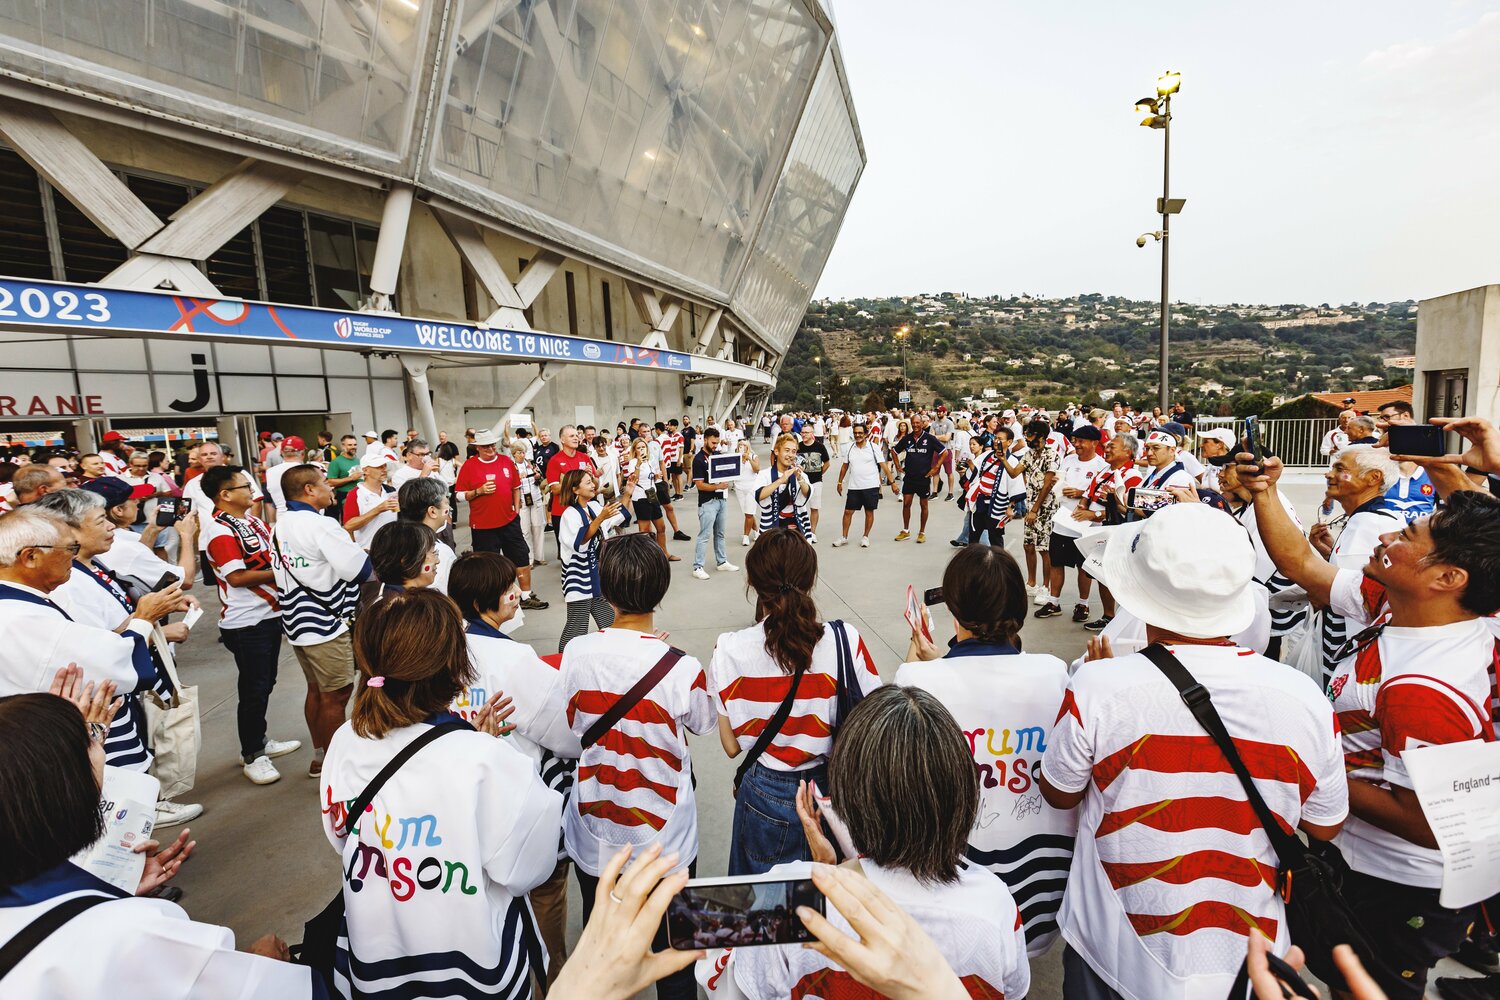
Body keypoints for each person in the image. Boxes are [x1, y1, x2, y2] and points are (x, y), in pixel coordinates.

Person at [1038, 502, 1348, 1000]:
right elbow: (1324, 825)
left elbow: (1060, 793)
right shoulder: (1305, 698)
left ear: (1138, 595)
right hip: (1253, 954)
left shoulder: (1099, 685)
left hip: (1114, 942)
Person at [1245, 455, 1500, 998]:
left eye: (1409, 533)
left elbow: (1429, 823)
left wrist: (1314, 769)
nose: (1386, 534)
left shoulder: (1423, 691)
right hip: (1374, 866)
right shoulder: (1404, 606)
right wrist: (1265, 493)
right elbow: (1304, 567)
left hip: (1397, 884)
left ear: (1448, 578)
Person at [698, 685, 1031, 999]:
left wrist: (821, 877)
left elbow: (719, 960)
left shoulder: (789, 895)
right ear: (961, 793)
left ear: (848, 798)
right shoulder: (994, 904)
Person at [320, 589, 562, 1000]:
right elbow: (529, 868)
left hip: (375, 963)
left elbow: (340, 835)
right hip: (476, 971)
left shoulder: (344, 740)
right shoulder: (483, 759)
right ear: (455, 667)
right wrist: (492, 752)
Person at [0, 688, 316, 998]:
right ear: (65, 790)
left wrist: (110, 890)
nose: (102, 747)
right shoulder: (135, 930)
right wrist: (264, 964)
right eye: (91, 740)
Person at [897, 543, 1075, 955]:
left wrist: (923, 661)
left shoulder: (919, 682)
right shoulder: (1055, 673)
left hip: (953, 894)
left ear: (954, 610)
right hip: (1042, 898)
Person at [561, 532, 716, 1000]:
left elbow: (571, 721)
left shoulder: (576, 653)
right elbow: (705, 721)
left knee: (601, 934)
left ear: (604, 592)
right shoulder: (680, 667)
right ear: (661, 591)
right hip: (664, 833)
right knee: (674, 951)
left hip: (595, 821)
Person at [711, 529, 881, 875]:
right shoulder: (844, 640)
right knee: (833, 898)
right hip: (832, 794)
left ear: (752, 582)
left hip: (765, 794)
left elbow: (731, 746)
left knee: (764, 909)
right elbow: (874, 716)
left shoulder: (729, 649)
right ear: (811, 579)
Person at [447, 551, 581, 981]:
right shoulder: (513, 659)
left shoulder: (445, 649)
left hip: (457, 797)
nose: (518, 595)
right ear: (484, 603)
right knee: (543, 887)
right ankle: (550, 972)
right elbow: (565, 732)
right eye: (509, 590)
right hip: (515, 801)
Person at [0, 507, 188, 780]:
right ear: (31, 556)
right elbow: (110, 665)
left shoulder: (19, 603)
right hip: (40, 749)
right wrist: (144, 619)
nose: (73, 556)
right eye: (68, 548)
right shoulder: (20, 617)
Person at [198, 465, 302, 785]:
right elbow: (236, 577)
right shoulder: (219, 530)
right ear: (225, 495)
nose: (252, 491)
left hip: (269, 614)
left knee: (265, 682)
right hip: (246, 622)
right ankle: (252, 754)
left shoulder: (251, 520)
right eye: (245, 486)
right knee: (254, 688)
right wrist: (285, 571)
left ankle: (259, 739)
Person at [271, 463, 371, 778]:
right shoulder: (321, 526)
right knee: (337, 695)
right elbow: (359, 571)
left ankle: (319, 757)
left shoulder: (281, 524)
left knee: (316, 690)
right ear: (309, 490)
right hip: (328, 625)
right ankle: (336, 766)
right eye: (325, 483)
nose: (331, 488)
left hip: (299, 624)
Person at [1310, 445, 1401, 685]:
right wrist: (1328, 553)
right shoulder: (1368, 519)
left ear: (1373, 478)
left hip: (1348, 652)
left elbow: (1351, 596)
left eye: (1340, 468)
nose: (1329, 474)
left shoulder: (1368, 524)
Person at [455, 429, 548, 610]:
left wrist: (516, 510)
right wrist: (478, 492)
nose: (490, 448)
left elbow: (516, 487)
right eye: (485, 446)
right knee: (489, 564)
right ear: (477, 448)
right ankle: (495, 598)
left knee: (521, 556)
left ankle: (526, 596)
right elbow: (458, 496)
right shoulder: (469, 466)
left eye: (492, 444)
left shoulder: (506, 461)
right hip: (483, 525)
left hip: (509, 521)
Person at [557, 468, 630, 650]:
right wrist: (601, 518)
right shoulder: (569, 515)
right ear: (575, 489)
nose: (593, 485)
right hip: (579, 580)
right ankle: (562, 662)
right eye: (588, 482)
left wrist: (628, 493)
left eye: (592, 481)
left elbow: (617, 518)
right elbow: (580, 540)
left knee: (611, 624)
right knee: (577, 628)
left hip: (597, 577)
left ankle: (615, 655)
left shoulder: (595, 507)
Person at [1044, 424, 1110, 624]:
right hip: (1063, 519)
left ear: (1094, 443)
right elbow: (1059, 481)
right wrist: (1059, 484)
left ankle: (1083, 604)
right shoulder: (1068, 459)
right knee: (1056, 562)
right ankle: (1053, 601)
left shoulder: (1102, 466)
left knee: (1084, 567)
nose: (1077, 445)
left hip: (1086, 525)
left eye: (1081, 441)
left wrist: (1080, 493)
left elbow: (1103, 495)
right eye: (1075, 440)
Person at [832, 422, 894, 548]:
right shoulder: (850, 447)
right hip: (854, 486)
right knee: (848, 512)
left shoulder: (873, 447)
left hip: (871, 486)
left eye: (860, 433)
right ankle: (844, 537)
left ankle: (865, 537)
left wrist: (892, 482)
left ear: (866, 434)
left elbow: (884, 466)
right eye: (855, 433)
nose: (858, 435)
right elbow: (844, 466)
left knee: (869, 512)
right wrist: (839, 482)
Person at [890, 412, 945, 543]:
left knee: (923, 505)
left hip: (923, 477)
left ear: (922, 424)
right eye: (913, 423)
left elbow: (944, 452)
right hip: (909, 477)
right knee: (906, 504)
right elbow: (894, 451)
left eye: (917, 423)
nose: (915, 425)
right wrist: (898, 466)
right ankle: (905, 531)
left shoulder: (930, 438)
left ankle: (922, 532)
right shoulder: (907, 438)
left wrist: (935, 468)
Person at [691, 427, 739, 578]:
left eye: (717, 443)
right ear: (705, 440)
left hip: (721, 499)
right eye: (713, 442)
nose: (715, 445)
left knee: (720, 533)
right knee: (704, 535)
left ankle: (722, 561)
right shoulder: (698, 459)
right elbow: (699, 485)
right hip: (707, 502)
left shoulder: (717, 454)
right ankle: (697, 567)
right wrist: (717, 486)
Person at [396, 477, 456, 594]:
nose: (449, 509)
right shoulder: (438, 553)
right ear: (432, 511)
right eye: (446, 503)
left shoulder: (397, 542)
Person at [545, 425, 600, 552]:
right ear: (562, 440)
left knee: (590, 548)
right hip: (562, 512)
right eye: (571, 436)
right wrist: (577, 481)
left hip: (585, 511)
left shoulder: (585, 457)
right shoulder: (555, 460)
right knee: (569, 552)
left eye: (577, 435)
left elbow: (596, 484)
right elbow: (554, 489)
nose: (576, 438)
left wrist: (591, 476)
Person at [756, 432, 813, 546]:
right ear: (776, 451)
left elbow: (807, 493)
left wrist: (799, 478)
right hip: (772, 525)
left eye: (794, 451)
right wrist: (781, 480)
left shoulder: (799, 474)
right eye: (786, 450)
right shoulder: (765, 474)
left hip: (796, 524)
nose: (790, 455)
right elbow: (759, 495)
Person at [624, 437, 675, 562]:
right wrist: (638, 464)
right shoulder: (633, 462)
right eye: (639, 448)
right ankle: (646, 558)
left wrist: (656, 476)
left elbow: (649, 477)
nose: (642, 450)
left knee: (661, 527)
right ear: (634, 450)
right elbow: (633, 479)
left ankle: (664, 553)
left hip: (652, 495)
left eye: (643, 447)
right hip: (640, 498)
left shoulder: (649, 461)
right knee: (645, 530)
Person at [341, 454, 398, 551]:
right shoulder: (355, 494)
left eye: (384, 465)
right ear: (365, 470)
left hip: (394, 549)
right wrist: (378, 509)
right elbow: (348, 526)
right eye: (379, 466)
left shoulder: (391, 490)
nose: (384, 469)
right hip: (370, 551)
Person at [368, 520, 439, 597]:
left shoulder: (387, 597)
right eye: (433, 552)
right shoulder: (402, 605)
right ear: (407, 560)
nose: (438, 561)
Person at [795, 423, 830, 541]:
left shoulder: (820, 447)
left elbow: (827, 463)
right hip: (801, 482)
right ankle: (802, 530)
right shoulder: (798, 447)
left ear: (812, 434)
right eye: (802, 432)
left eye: (806, 432)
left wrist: (819, 474)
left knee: (814, 507)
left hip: (816, 481)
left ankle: (812, 532)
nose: (803, 434)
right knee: (800, 506)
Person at [262, 435, 308, 517]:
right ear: (302, 454)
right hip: (306, 518)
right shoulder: (308, 471)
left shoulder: (270, 472)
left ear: (281, 453)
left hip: (282, 519)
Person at [732, 435, 763, 547]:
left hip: (751, 487)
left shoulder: (753, 456)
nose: (742, 447)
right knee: (747, 513)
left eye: (744, 445)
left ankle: (745, 536)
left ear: (747, 447)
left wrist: (748, 458)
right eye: (740, 445)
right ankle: (757, 531)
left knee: (749, 514)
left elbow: (757, 469)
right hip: (739, 487)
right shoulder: (735, 457)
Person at [323, 435, 361, 523]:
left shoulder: (358, 460)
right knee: (350, 522)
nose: (353, 447)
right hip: (345, 497)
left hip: (360, 494)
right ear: (343, 446)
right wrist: (351, 478)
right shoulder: (336, 462)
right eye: (350, 445)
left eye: (355, 445)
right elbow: (330, 482)